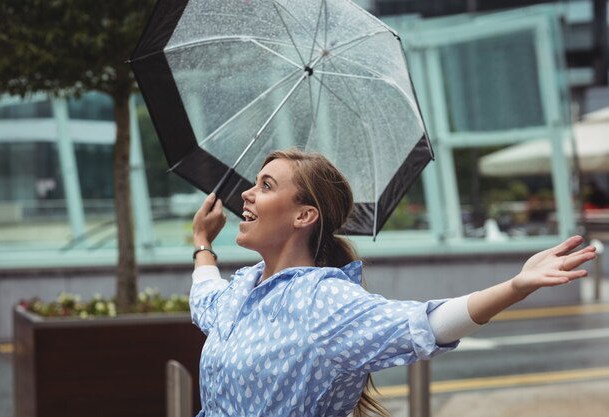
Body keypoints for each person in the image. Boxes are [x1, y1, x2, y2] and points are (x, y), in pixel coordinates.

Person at [190, 149, 596, 417]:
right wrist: (202, 243)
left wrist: (517, 286)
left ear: (304, 216)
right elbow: (205, 298)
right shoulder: (243, 288)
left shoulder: (323, 299)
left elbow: (425, 324)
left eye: (266, 185)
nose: (245, 194)